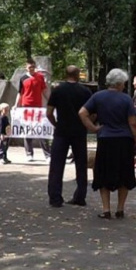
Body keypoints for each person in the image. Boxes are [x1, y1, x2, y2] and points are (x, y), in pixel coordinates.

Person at [79, 68, 136, 219]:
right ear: (118, 84)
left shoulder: (98, 96)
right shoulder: (126, 99)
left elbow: (82, 113)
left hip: (105, 139)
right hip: (124, 140)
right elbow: (132, 123)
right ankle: (120, 209)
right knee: (124, 174)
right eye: (124, 83)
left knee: (103, 173)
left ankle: (106, 209)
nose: (124, 86)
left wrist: (93, 128)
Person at [46, 65, 93, 208]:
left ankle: (55, 198)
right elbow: (93, 111)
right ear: (78, 75)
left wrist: (56, 124)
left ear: (66, 74)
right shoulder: (85, 91)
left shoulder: (58, 90)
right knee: (81, 165)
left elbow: (49, 112)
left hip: (61, 131)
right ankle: (80, 196)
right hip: (79, 131)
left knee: (56, 165)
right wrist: (88, 124)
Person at [15, 58, 51, 162]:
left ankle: (47, 155)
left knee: (41, 130)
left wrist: (50, 101)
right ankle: (29, 153)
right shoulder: (23, 78)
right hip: (26, 107)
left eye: (33, 67)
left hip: (38, 108)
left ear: (35, 67)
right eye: (30, 67)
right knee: (27, 130)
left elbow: (44, 91)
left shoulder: (40, 77)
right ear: (26, 67)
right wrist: (16, 104)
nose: (31, 69)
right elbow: (20, 93)